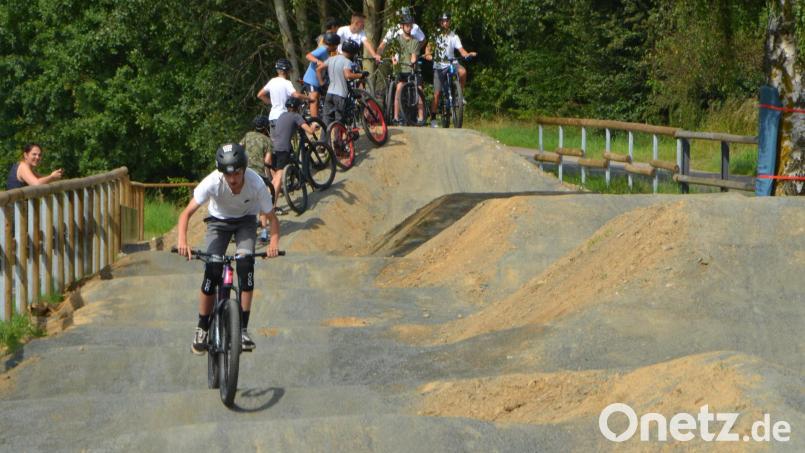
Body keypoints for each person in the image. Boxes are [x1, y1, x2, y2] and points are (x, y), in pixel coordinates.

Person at [177, 143, 279, 354]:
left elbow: (272, 219)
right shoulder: (212, 182)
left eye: (238, 174)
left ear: (244, 169)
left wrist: (274, 242)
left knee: (245, 266)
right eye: (228, 175)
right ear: (221, 173)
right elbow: (185, 214)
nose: (233, 180)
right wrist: (182, 241)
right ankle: (202, 327)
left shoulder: (256, 183)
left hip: (245, 223)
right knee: (212, 269)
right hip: (218, 222)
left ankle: (242, 329)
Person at [424, 12, 478, 127]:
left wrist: (467, 54)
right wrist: (428, 55)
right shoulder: (435, 35)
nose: (445, 23)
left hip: (451, 63)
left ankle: (459, 96)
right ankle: (433, 118)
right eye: (443, 21)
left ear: (449, 22)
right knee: (437, 93)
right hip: (439, 65)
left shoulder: (454, 36)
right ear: (440, 23)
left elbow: (461, 50)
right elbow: (428, 49)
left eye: (447, 21)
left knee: (463, 71)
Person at [267, 97, 319, 212]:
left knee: (275, 178)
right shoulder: (296, 116)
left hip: (273, 147)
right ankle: (272, 207)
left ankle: (266, 203)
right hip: (282, 149)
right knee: (279, 178)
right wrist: (314, 126)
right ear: (297, 107)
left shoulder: (282, 116)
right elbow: (309, 131)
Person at [317, 39, 367, 125]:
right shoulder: (347, 61)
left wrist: (321, 83)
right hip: (340, 95)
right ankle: (338, 138)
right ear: (352, 53)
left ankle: (323, 138)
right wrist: (360, 75)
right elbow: (348, 75)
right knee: (339, 121)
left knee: (326, 121)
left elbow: (318, 69)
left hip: (329, 93)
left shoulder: (331, 58)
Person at [391, 15, 425, 126]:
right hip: (402, 69)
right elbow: (394, 54)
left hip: (413, 70)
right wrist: (394, 59)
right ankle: (396, 117)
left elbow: (414, 56)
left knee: (419, 90)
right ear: (402, 26)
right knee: (399, 89)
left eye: (410, 25)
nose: (409, 27)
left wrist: (413, 62)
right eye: (407, 25)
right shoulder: (397, 40)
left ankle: (421, 118)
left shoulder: (415, 41)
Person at [257, 59, 309, 128]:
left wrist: (271, 102)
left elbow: (260, 95)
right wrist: (309, 97)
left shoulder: (272, 81)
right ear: (286, 71)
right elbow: (296, 95)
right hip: (283, 116)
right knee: (288, 137)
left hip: (272, 117)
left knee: (275, 139)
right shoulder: (286, 83)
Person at [303, 32, 341, 118]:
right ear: (331, 44)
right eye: (336, 45)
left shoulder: (332, 52)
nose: (336, 47)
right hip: (311, 80)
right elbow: (308, 56)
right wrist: (317, 61)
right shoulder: (323, 49)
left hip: (320, 79)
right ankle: (315, 122)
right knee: (314, 98)